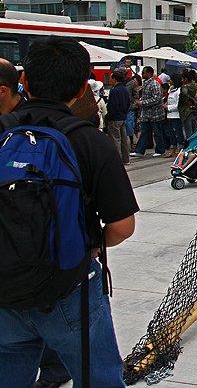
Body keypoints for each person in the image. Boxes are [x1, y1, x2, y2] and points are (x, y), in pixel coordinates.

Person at [0, 35, 137, 388]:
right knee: (100, 378)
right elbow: (122, 227)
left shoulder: (3, 132)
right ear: (80, 89)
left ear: (24, 82)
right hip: (69, 287)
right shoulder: (91, 141)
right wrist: (90, 240)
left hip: (5, 290)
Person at [132, 66, 167, 157]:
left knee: (157, 132)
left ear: (149, 73)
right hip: (146, 114)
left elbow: (156, 99)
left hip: (155, 114)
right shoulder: (146, 83)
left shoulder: (154, 84)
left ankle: (160, 150)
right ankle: (139, 151)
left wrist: (142, 103)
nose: (143, 74)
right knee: (144, 132)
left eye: (144, 72)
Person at [106, 70, 131, 164]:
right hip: (123, 116)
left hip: (115, 117)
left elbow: (113, 105)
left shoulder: (115, 90)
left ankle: (118, 160)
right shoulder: (124, 89)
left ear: (114, 79)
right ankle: (126, 158)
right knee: (124, 139)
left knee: (115, 139)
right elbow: (128, 103)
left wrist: (109, 115)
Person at [163, 73, 184, 158]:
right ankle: (173, 149)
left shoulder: (179, 91)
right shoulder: (171, 90)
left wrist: (168, 107)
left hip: (176, 116)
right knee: (171, 133)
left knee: (178, 133)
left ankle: (181, 149)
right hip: (170, 116)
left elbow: (178, 104)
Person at [179, 70, 197, 139]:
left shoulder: (185, 87)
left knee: (188, 132)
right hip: (195, 110)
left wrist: (187, 100)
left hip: (186, 110)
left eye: (182, 78)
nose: (181, 80)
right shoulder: (196, 85)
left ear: (185, 79)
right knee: (194, 130)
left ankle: (189, 147)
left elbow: (184, 94)